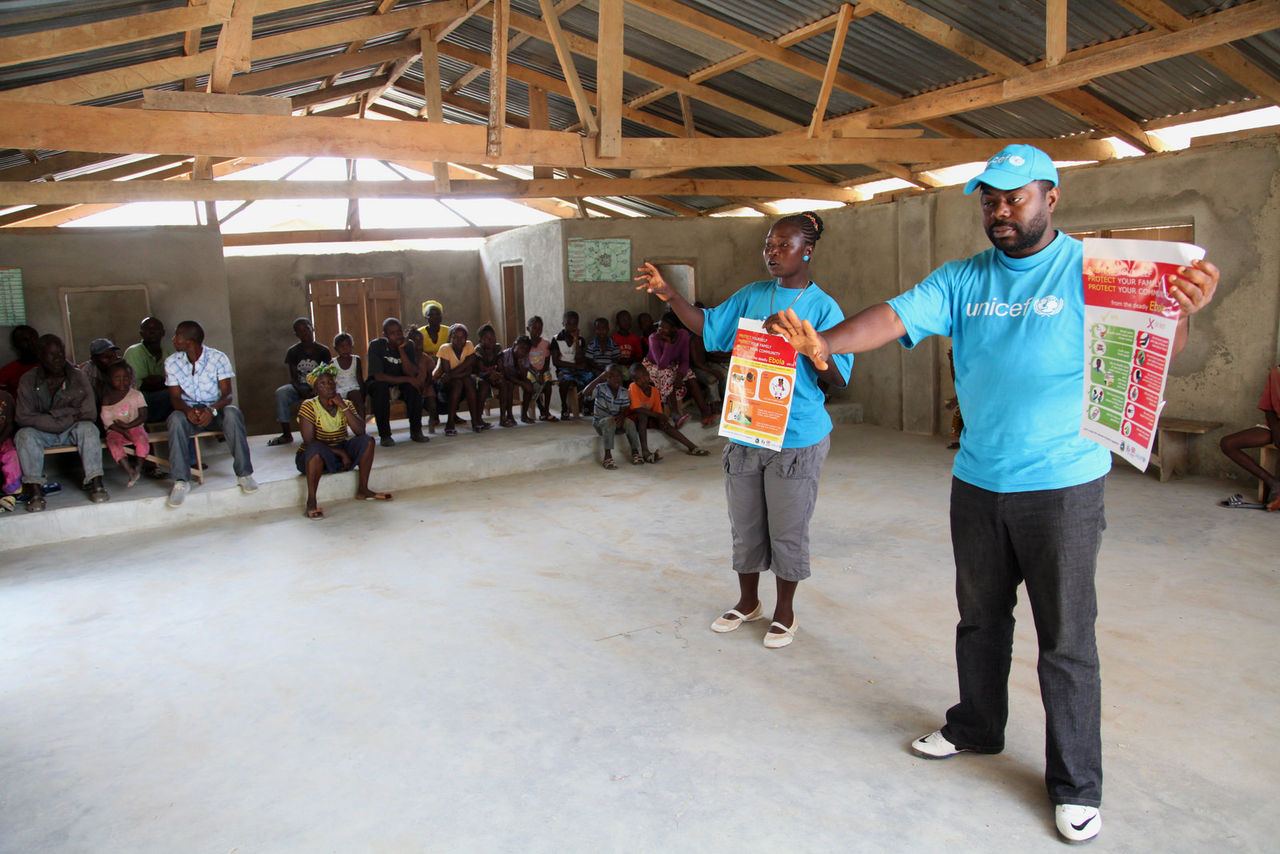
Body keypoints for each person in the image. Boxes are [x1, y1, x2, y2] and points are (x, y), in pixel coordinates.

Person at [769, 146, 1220, 843]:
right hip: (978, 480)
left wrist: (1183, 311)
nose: (1001, 210)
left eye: (1016, 197)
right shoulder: (963, 278)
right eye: (989, 199)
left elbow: (1158, 337)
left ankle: (1076, 786)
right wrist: (822, 345)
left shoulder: (1093, 270)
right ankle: (977, 727)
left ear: (1052, 198)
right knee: (980, 620)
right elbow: (891, 317)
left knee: (1066, 640)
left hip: (1063, 486)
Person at [637, 211, 852, 653]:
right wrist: (670, 294)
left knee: (787, 528)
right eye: (768, 245)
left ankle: (785, 611)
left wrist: (815, 352)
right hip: (747, 428)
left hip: (796, 437)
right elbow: (708, 326)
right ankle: (748, 601)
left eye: (784, 245)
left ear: (807, 250)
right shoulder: (752, 295)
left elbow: (840, 378)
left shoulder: (824, 308)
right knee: (747, 524)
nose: (772, 253)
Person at [163, 320, 258, 507]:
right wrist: (188, 410)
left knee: (232, 413)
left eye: (177, 336)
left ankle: (244, 474)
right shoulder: (172, 362)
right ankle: (181, 482)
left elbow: (227, 395)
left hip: (215, 410)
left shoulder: (218, 358)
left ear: (188, 341)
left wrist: (211, 409)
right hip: (189, 412)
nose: (173, 339)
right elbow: (175, 398)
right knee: (175, 419)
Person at [13, 334, 109, 510]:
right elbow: (22, 416)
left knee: (89, 429)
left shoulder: (78, 376)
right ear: (40, 356)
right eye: (52, 354)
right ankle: (35, 490)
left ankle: (96, 482)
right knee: (24, 435)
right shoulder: (28, 379)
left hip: (71, 429)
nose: (59, 359)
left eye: (61, 353)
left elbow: (89, 412)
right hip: (42, 432)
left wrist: (56, 416)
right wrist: (69, 415)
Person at [295, 363, 390, 519]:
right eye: (322, 384)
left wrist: (342, 406)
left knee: (367, 441)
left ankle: (363, 489)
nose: (328, 386)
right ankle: (311, 501)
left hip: (339, 451)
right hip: (313, 455)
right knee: (315, 451)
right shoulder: (309, 406)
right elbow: (309, 441)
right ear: (316, 389)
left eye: (331, 381)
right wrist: (340, 453)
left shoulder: (346, 404)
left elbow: (360, 431)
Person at [1219, 363, 1280, 510]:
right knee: (1228, 443)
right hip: (1276, 425)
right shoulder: (1275, 372)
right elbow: (1268, 408)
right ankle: (1273, 483)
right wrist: (1276, 432)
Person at [626, 362, 708, 462]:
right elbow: (637, 409)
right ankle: (645, 452)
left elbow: (657, 411)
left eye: (644, 376)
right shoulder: (633, 387)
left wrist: (661, 420)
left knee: (664, 424)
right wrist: (658, 415)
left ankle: (692, 447)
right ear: (634, 381)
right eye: (638, 379)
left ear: (648, 375)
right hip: (634, 418)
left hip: (649, 416)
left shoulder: (655, 391)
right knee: (643, 415)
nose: (642, 380)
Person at [366, 317, 430, 447]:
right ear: (385, 335)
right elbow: (378, 376)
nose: (397, 336)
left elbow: (411, 373)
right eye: (393, 333)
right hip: (381, 382)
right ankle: (385, 435)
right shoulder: (376, 345)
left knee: (414, 388)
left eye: (399, 332)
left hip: (400, 382)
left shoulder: (408, 345)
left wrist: (401, 351)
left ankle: (416, 431)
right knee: (380, 389)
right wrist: (407, 379)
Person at [269, 317, 332, 447]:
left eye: (307, 329)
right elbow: (293, 378)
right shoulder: (293, 352)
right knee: (281, 393)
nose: (305, 333)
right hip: (300, 387)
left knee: (327, 392)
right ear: (296, 334)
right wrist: (300, 390)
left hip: (319, 386)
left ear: (312, 328)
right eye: (300, 331)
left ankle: (325, 432)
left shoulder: (323, 351)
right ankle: (287, 434)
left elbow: (327, 375)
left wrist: (316, 389)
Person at [644, 311, 711, 427]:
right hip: (653, 365)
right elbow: (661, 365)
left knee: (690, 374)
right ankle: (675, 415)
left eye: (664, 328)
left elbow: (685, 360)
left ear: (675, 329)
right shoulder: (653, 338)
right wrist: (668, 343)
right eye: (659, 326)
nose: (659, 329)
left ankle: (705, 412)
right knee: (667, 374)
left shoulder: (683, 335)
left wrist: (680, 376)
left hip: (673, 363)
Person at [100, 360, 150, 487]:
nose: (122, 381)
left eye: (126, 377)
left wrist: (129, 426)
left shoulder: (136, 395)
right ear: (110, 380)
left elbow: (143, 415)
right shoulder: (107, 398)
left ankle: (138, 466)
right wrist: (122, 430)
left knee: (141, 439)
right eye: (117, 378)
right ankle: (130, 471)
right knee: (113, 443)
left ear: (131, 379)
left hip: (135, 426)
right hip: (115, 430)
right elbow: (107, 421)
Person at [434, 322, 490, 435]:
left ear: (466, 338)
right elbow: (446, 373)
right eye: (455, 337)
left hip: (461, 380)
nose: (459, 340)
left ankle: (475, 421)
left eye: (462, 337)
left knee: (467, 381)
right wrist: (455, 374)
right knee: (460, 382)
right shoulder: (444, 349)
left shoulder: (469, 345)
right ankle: (450, 423)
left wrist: (452, 374)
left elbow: (468, 369)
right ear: (450, 338)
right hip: (445, 384)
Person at [124, 316, 174, 422]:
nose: (151, 332)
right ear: (141, 333)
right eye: (147, 329)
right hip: (140, 400)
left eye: (155, 329)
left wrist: (157, 382)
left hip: (161, 398)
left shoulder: (168, 354)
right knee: (171, 394)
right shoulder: (134, 352)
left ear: (163, 333)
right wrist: (163, 382)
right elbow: (140, 386)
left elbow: (173, 383)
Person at [591, 364, 641, 468]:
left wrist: (622, 417)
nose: (616, 379)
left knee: (629, 422)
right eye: (611, 376)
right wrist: (599, 378)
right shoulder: (600, 388)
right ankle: (607, 457)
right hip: (601, 424)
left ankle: (635, 452)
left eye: (618, 376)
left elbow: (623, 410)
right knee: (609, 421)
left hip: (616, 424)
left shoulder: (624, 392)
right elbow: (585, 393)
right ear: (606, 378)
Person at [552, 311, 594, 419]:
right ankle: (564, 407)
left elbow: (580, 359)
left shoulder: (580, 340)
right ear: (563, 324)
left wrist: (576, 340)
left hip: (578, 369)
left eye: (575, 324)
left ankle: (586, 404)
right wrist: (575, 366)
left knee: (590, 377)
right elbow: (556, 362)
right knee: (565, 380)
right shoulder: (556, 339)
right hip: (563, 369)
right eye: (568, 324)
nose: (572, 327)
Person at [474, 325, 513, 427]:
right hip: (481, 376)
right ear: (480, 340)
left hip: (493, 374)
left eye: (493, 337)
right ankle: (478, 419)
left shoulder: (497, 347)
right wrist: (490, 374)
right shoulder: (478, 350)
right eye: (487, 338)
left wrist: (498, 374)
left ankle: (503, 417)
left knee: (504, 384)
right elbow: (480, 370)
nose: (491, 340)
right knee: (483, 386)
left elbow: (500, 366)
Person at [525, 316, 556, 421]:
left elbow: (547, 361)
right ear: (528, 329)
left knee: (548, 383)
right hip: (530, 372)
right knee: (535, 384)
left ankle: (546, 410)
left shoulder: (546, 344)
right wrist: (535, 373)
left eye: (539, 329)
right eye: (534, 328)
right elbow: (526, 362)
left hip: (543, 370)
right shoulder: (525, 344)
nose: (537, 331)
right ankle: (541, 408)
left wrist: (541, 373)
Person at [501, 335, 536, 424]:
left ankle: (524, 415)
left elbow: (524, 376)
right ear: (514, 345)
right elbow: (506, 375)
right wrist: (521, 383)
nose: (523, 351)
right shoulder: (505, 354)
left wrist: (520, 365)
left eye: (526, 350)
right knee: (510, 385)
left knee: (529, 386)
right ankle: (509, 414)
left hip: (518, 377)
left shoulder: (525, 358)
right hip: (506, 378)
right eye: (521, 348)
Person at [80, 337, 124, 407]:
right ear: (94, 360)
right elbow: (85, 401)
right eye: (107, 357)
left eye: (114, 355)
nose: (113, 359)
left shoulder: (124, 369)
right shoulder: (87, 372)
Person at [331, 332, 365, 419]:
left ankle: (361, 424)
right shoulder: (333, 363)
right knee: (335, 403)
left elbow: (359, 378)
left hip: (353, 387)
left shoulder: (356, 360)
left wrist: (362, 393)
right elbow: (331, 380)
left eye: (348, 346)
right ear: (336, 348)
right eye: (341, 346)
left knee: (357, 398)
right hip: (339, 390)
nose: (345, 349)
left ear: (352, 346)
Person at [0, 325, 39, 398]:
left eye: (33, 338)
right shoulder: (6, 372)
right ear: (16, 345)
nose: (31, 343)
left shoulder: (51, 367)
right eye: (25, 340)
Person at [0, 390, 21, 511]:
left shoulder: (5, 397)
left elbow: (10, 424)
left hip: (3, 438)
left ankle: (11, 492)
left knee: (11, 456)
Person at [611, 310, 644, 377]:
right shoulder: (613, 338)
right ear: (618, 323)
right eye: (623, 320)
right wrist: (619, 361)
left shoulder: (635, 338)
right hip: (618, 368)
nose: (627, 322)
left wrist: (630, 360)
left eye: (628, 319)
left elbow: (639, 356)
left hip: (632, 368)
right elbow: (610, 357)